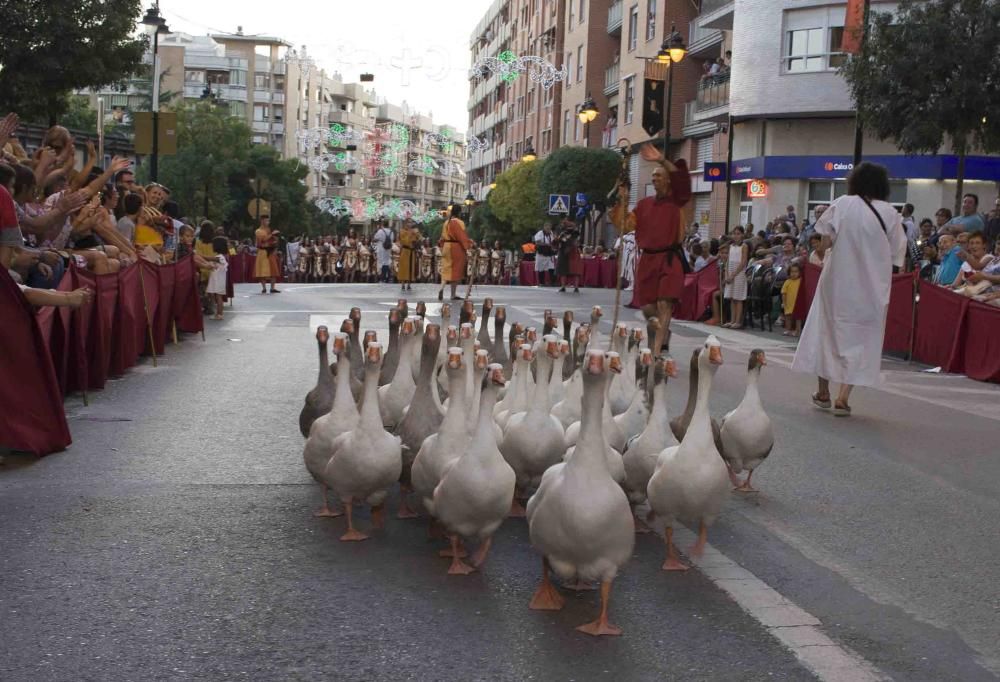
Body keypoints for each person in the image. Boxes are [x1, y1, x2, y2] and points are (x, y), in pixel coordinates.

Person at [791, 162, 907, 417]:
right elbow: (898, 255)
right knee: (863, 339)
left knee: (826, 331)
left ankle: (823, 392)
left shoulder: (843, 204)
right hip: (872, 288)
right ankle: (843, 397)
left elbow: (824, 241)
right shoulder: (890, 213)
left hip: (838, 282)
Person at [611, 142, 691, 356]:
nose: (654, 178)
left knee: (665, 304)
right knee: (648, 309)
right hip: (647, 260)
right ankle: (662, 335)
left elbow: (682, 179)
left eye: (658, 175)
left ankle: (655, 351)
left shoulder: (678, 199)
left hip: (669, 259)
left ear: (667, 180)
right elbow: (625, 225)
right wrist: (621, 202)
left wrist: (661, 159)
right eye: (653, 176)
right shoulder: (644, 204)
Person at [437, 205, 471, 301]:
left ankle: (441, 288)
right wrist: (469, 245)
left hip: (446, 247)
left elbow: (442, 237)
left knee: (446, 269)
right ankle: (452, 294)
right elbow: (462, 237)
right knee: (456, 270)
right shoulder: (459, 222)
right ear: (459, 212)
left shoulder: (446, 222)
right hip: (456, 247)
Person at [723, 226, 749, 328]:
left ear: (742, 235)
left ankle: (738, 321)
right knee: (732, 298)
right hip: (730, 272)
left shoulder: (744, 246)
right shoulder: (730, 246)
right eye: (734, 233)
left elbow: (743, 262)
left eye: (738, 233)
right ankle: (732, 320)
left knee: (738, 298)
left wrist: (734, 274)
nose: (736, 236)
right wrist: (727, 274)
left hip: (739, 274)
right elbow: (728, 261)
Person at [254, 214, 280, 294]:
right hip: (263, 251)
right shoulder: (258, 231)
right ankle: (264, 288)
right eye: (266, 220)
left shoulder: (268, 229)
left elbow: (272, 240)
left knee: (274, 270)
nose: (268, 222)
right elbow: (262, 240)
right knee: (262, 271)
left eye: (268, 220)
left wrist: (275, 240)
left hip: (271, 251)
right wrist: (272, 234)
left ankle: (272, 288)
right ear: (262, 221)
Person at [555, 220, 582, 292]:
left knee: (574, 270)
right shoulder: (563, 233)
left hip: (570, 252)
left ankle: (574, 287)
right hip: (566, 252)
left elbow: (565, 240)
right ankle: (565, 286)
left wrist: (563, 239)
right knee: (564, 270)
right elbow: (558, 240)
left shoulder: (574, 233)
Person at [207, 236, 229, 320]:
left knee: (218, 297)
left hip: (218, 280)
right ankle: (218, 313)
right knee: (216, 296)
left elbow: (209, 258)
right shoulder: (221, 256)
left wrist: (199, 255)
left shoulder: (220, 257)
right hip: (217, 279)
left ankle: (219, 314)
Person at [781, 263, 803, 337]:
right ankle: (788, 330)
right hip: (789, 303)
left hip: (798, 303)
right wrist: (784, 303)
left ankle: (798, 331)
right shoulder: (787, 282)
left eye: (796, 271)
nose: (794, 274)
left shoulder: (801, 281)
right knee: (788, 317)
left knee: (798, 318)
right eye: (792, 272)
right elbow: (784, 293)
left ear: (800, 272)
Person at [397, 219, 419, 291]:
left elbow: (417, 239)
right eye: (409, 222)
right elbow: (404, 241)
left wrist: (416, 234)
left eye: (411, 222)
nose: (410, 224)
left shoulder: (413, 231)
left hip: (412, 251)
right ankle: (403, 284)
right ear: (405, 223)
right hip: (405, 251)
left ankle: (409, 284)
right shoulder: (402, 231)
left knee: (411, 268)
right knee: (404, 268)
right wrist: (410, 233)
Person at [533, 222, 556, 287]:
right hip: (541, 253)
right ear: (544, 227)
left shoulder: (551, 233)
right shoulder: (540, 233)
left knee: (551, 267)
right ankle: (541, 282)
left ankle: (553, 282)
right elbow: (537, 242)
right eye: (547, 228)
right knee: (541, 268)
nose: (548, 229)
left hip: (549, 253)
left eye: (549, 228)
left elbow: (554, 241)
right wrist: (547, 244)